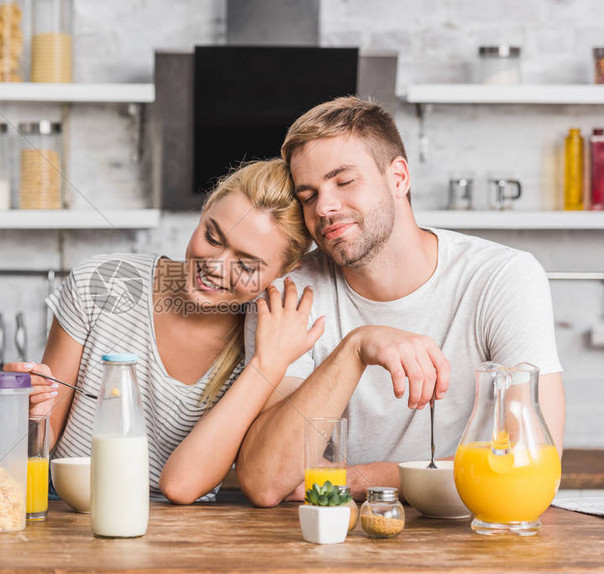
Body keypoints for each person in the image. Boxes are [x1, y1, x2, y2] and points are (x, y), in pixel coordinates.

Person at [236, 97, 566, 506]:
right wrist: (356, 348)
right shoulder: (289, 295)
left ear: (398, 178)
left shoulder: (502, 277)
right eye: (308, 195)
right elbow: (267, 481)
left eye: (344, 181)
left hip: (465, 539)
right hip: (328, 544)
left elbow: (532, 464)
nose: (324, 207)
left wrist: (360, 479)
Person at [6, 159, 324, 504]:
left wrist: (267, 366)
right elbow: (40, 437)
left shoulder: (272, 340)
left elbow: (182, 487)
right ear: (203, 213)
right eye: (212, 237)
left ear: (286, 269)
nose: (215, 267)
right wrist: (25, 412)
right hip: (70, 510)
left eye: (246, 265)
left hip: (178, 529)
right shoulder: (103, 284)